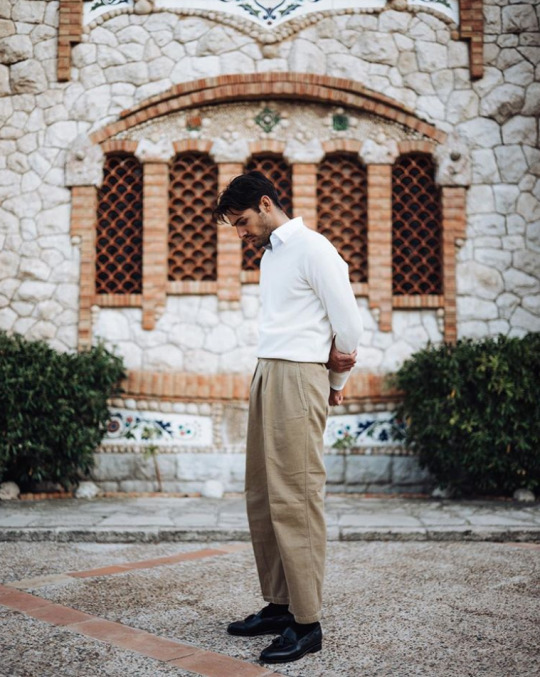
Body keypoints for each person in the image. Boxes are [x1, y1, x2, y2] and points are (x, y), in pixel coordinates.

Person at [213, 171, 362, 664]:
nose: (240, 233)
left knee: (296, 497)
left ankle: (307, 622)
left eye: (241, 222)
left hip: (299, 376)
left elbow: (349, 325)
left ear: (265, 203)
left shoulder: (314, 249)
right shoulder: (272, 255)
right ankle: (280, 605)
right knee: (262, 494)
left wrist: (335, 381)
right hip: (269, 372)